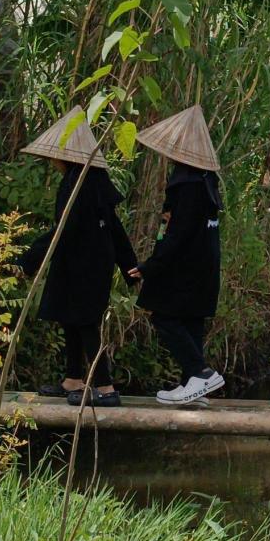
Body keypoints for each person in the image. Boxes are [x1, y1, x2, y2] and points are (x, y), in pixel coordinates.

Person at [24, 161, 140, 408]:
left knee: (85, 320)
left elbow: (64, 229)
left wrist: (30, 259)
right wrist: (130, 267)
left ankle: (105, 388)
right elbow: (114, 226)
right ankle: (73, 379)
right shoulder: (92, 180)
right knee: (71, 317)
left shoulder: (80, 183)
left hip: (85, 261)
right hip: (80, 260)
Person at [134, 105, 225, 406]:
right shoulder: (205, 181)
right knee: (191, 320)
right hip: (204, 264)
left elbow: (177, 234)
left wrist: (151, 266)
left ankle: (200, 372)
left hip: (185, 266)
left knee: (164, 316)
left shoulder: (187, 186)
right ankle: (192, 386)